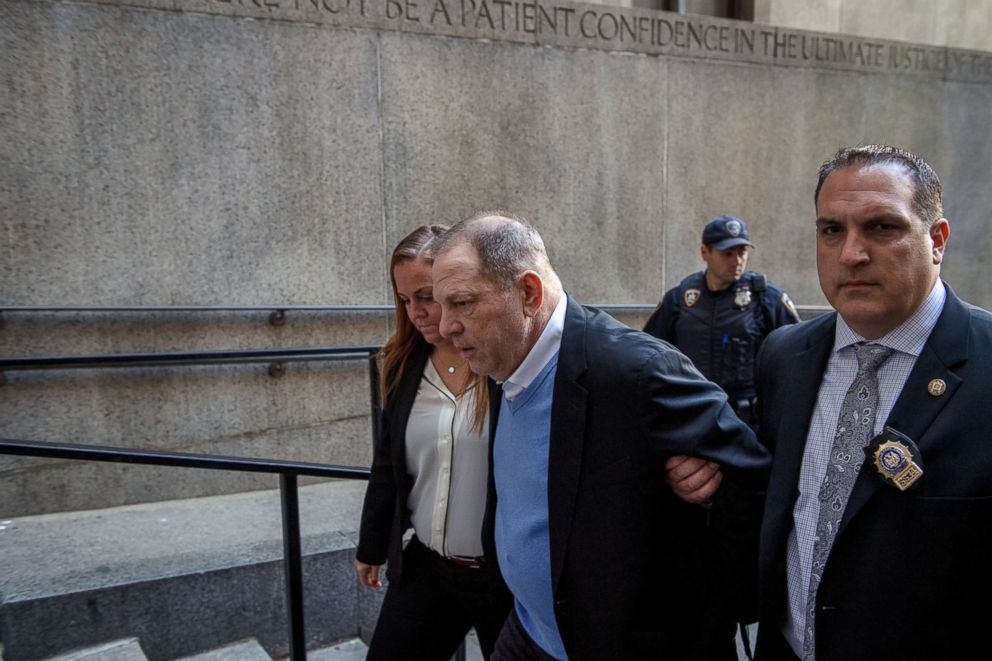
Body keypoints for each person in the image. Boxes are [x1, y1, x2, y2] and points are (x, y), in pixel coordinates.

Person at [669, 145, 992, 661]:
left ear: (936, 240)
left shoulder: (984, 366)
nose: (850, 254)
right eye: (831, 230)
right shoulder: (786, 355)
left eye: (882, 227)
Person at [431, 211, 771, 661]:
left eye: (462, 303)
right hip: (528, 632)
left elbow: (752, 477)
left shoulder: (636, 371)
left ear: (528, 293)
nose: (444, 327)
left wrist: (707, 497)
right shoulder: (503, 360)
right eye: (441, 306)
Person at [355, 225, 511, 660]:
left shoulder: (504, 364)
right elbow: (388, 462)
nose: (415, 312)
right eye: (405, 300)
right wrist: (371, 544)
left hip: (504, 578)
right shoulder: (403, 365)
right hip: (427, 566)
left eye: (425, 296)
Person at [643, 215, 800, 427]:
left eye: (742, 253)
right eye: (727, 253)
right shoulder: (681, 299)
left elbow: (798, 353)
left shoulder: (764, 297)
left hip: (746, 419)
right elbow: (649, 351)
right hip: (691, 413)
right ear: (705, 252)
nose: (737, 261)